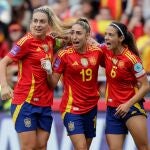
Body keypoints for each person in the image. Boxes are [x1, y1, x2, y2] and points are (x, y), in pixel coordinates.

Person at [0, 5, 70, 150]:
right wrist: (5, 86)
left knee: (42, 146)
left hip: (45, 103)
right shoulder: (26, 41)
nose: (37, 25)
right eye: (35, 21)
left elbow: (70, 38)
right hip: (26, 102)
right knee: (29, 147)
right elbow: (3, 62)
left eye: (42, 22)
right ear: (31, 22)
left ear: (48, 25)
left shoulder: (51, 41)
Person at [41, 18, 103, 150]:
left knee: (85, 147)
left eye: (79, 33)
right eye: (73, 33)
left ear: (87, 35)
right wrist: (47, 70)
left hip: (91, 107)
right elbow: (52, 84)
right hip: (71, 109)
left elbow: (112, 61)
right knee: (81, 147)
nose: (74, 37)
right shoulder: (64, 55)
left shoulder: (97, 52)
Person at [100, 22, 150, 150]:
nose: (106, 37)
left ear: (121, 38)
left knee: (143, 147)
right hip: (113, 110)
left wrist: (127, 105)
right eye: (105, 34)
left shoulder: (132, 59)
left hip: (131, 108)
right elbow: (91, 44)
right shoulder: (106, 50)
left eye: (110, 35)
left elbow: (145, 86)